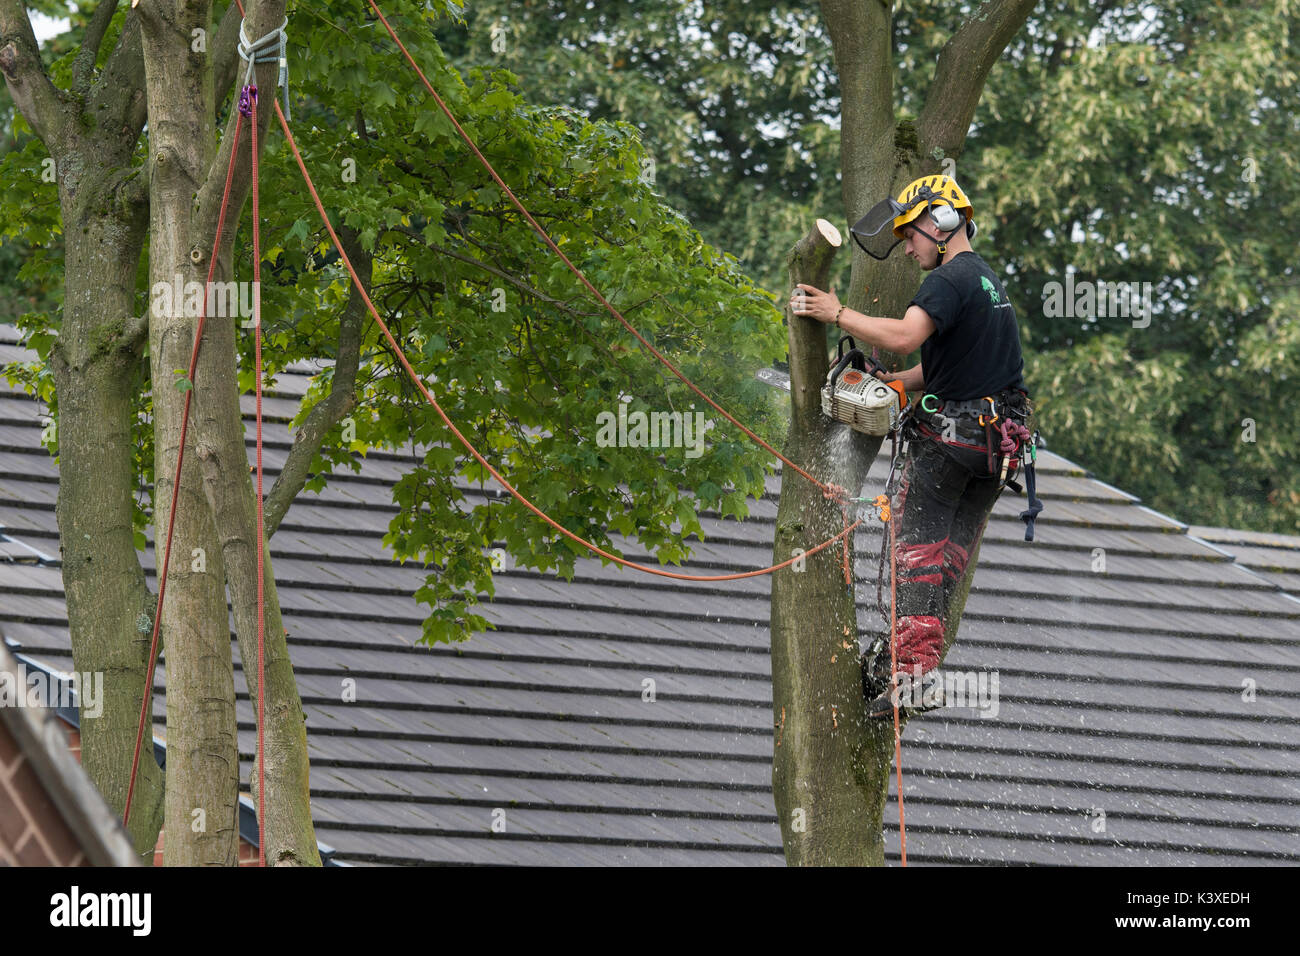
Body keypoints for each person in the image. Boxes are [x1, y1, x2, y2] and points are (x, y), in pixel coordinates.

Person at [788, 175, 1034, 719]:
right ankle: (908, 662)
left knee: (915, 553)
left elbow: (902, 335)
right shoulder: (987, 280)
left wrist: (837, 314)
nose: (907, 246)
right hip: (997, 452)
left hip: (951, 443)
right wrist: (898, 382)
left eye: (911, 234)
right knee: (947, 563)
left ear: (941, 222)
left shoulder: (947, 280)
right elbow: (952, 367)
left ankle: (914, 677)